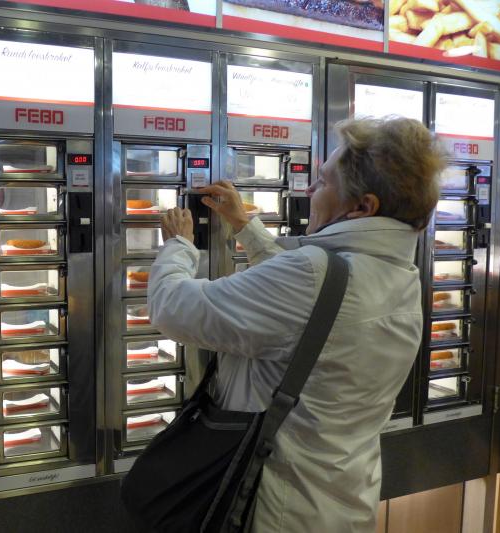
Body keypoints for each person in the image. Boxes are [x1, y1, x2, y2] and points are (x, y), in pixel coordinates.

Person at [148, 117, 446, 532]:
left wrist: (179, 246)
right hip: (341, 498)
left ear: (363, 207)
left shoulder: (311, 275)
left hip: (273, 505)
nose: (309, 190)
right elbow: (316, 303)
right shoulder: (398, 274)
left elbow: (173, 307)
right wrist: (245, 227)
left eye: (323, 183)